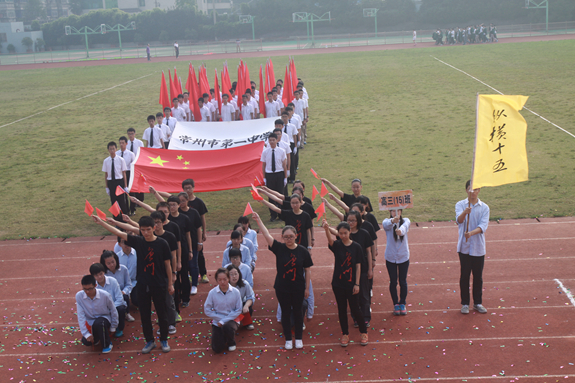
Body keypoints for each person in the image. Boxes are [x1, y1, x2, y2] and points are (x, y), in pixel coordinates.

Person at [92, 215, 174, 354]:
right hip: (142, 285)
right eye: (143, 230)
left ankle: (164, 340)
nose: (146, 233)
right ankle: (149, 341)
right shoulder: (139, 241)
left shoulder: (162, 243)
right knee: (145, 314)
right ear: (140, 230)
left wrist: (170, 283)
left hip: (159, 284)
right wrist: (101, 222)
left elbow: (168, 265)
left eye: (148, 229)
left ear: (154, 228)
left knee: (162, 314)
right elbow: (119, 233)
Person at [252, 212, 312, 350]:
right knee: (285, 312)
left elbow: (308, 270)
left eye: (291, 236)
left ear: (296, 236)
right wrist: (259, 220)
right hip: (282, 287)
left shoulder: (303, 251)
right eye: (286, 237)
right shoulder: (279, 248)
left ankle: (298, 338)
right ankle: (288, 339)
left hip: (298, 287)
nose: (288, 239)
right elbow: (267, 235)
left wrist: (307, 288)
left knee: (298, 312)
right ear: (282, 237)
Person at [322, 219, 368, 346]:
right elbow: (330, 241)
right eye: (340, 233)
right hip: (338, 284)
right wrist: (326, 229)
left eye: (345, 233)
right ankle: (345, 334)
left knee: (355, 309)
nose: (342, 235)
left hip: (352, 284)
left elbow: (358, 266)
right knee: (341, 310)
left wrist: (357, 284)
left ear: (349, 232)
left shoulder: (356, 247)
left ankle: (363, 331)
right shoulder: (337, 245)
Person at [456, 180, 489, 314]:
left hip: (478, 248)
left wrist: (471, 233)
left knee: (478, 277)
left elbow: (483, 227)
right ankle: (465, 303)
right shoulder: (460, 204)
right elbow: (459, 220)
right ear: (466, 190)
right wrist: (465, 212)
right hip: (464, 247)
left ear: (479, 190)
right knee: (464, 276)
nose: (473, 192)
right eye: (470, 189)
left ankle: (477, 302)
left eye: (476, 189)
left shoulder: (484, 207)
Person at [76, 275, 118, 354]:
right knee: (86, 341)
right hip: (91, 322)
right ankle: (97, 338)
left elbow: (113, 310)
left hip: (104, 319)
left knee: (99, 323)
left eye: (90, 289)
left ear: (95, 285)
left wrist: (113, 326)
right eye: (85, 289)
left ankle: (107, 344)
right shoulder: (79, 296)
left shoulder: (105, 295)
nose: (87, 292)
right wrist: (86, 334)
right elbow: (80, 315)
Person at [204, 268, 242, 353]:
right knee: (217, 349)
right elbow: (207, 309)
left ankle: (231, 342)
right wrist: (220, 318)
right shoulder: (212, 293)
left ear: (229, 278)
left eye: (225, 279)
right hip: (218, 321)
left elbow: (238, 310)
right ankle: (224, 335)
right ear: (216, 280)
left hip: (234, 319)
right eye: (219, 280)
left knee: (227, 327)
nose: (222, 282)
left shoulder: (236, 292)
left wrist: (224, 320)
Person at [382, 209, 411, 316]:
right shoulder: (386, 221)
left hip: (403, 256)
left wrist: (401, 231)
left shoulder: (406, 221)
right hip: (391, 257)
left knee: (403, 281)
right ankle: (395, 303)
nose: (396, 212)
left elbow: (404, 228)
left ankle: (402, 302)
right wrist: (393, 221)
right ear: (390, 212)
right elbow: (386, 225)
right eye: (393, 211)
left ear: (401, 211)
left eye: (398, 210)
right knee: (393, 281)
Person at [90, 262, 127, 338]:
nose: (99, 277)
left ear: (104, 272)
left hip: (115, 306)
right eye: (96, 275)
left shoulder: (113, 281)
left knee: (121, 308)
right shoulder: (93, 286)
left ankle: (119, 328)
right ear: (93, 276)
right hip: (102, 310)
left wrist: (111, 308)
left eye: (101, 274)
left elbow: (120, 298)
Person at [100, 250, 133, 326]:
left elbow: (128, 285)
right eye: (108, 263)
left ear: (116, 260)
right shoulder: (103, 273)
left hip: (121, 294)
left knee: (124, 297)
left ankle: (127, 313)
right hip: (109, 295)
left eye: (113, 262)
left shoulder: (123, 269)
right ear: (104, 264)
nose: (112, 265)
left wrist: (124, 291)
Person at [260, 133, 287, 222]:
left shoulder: (282, 151)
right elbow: (263, 165)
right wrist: (264, 178)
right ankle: (273, 215)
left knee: (280, 194)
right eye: (270, 140)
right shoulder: (265, 152)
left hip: (279, 174)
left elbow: (284, 165)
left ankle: (281, 214)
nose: (272, 142)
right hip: (269, 175)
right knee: (271, 196)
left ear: (277, 140)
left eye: (273, 140)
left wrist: (285, 177)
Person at [102, 141, 128, 218]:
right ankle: (116, 219)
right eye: (110, 149)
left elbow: (124, 173)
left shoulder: (121, 160)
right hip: (111, 182)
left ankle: (125, 218)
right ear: (108, 150)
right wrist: (107, 187)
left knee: (121, 201)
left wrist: (125, 186)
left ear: (116, 149)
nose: (112, 151)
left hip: (119, 181)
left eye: (113, 149)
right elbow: (106, 174)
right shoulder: (106, 161)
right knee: (113, 201)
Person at [226, 264, 255, 330]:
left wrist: (246, 306)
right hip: (228, 306)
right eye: (231, 274)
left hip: (241, 304)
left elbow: (250, 297)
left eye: (236, 274)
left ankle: (247, 323)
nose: (234, 276)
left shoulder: (245, 284)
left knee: (248, 308)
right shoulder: (224, 286)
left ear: (239, 274)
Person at [115, 238, 138, 319]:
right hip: (122, 284)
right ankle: (126, 312)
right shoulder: (116, 257)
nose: (126, 245)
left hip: (135, 282)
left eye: (128, 242)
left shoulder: (137, 253)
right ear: (119, 244)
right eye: (123, 242)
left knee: (137, 301)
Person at [116, 136, 136, 215]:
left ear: (126, 144)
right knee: (123, 193)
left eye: (123, 143)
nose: (121, 145)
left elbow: (133, 165)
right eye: (120, 143)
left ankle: (132, 209)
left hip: (129, 173)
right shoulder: (117, 153)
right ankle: (126, 210)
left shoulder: (131, 154)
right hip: (120, 174)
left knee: (131, 192)